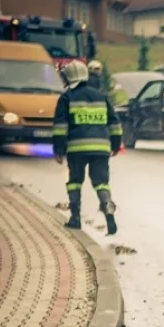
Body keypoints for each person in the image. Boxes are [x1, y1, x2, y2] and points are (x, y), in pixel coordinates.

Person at [52, 60, 122, 235]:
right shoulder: (101, 96)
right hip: (101, 148)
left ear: (67, 78)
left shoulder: (66, 97)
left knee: (75, 182)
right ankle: (108, 209)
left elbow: (60, 126)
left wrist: (58, 149)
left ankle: (75, 218)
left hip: (77, 149)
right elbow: (114, 122)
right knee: (101, 183)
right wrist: (115, 144)